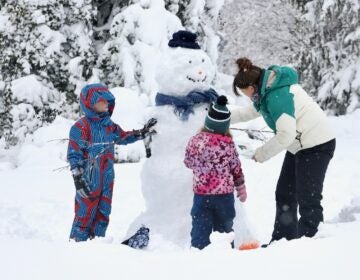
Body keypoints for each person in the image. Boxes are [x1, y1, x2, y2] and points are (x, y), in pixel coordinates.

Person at [231, 57, 336, 244]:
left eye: (244, 92)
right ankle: (282, 241)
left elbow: (286, 134)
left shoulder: (278, 96)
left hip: (317, 144)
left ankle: (310, 242)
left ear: (252, 86)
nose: (246, 96)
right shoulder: (267, 92)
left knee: (308, 196)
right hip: (300, 145)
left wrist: (261, 153)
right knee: (285, 193)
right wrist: (222, 117)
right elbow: (248, 113)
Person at [67, 84, 156, 242]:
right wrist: (78, 178)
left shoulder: (109, 125)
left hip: (107, 175)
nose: (107, 103)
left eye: (108, 100)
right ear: (90, 103)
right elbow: (74, 154)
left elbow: (122, 137)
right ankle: (77, 244)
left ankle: (97, 242)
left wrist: (140, 133)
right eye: (103, 100)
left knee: (104, 211)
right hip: (89, 177)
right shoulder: (81, 127)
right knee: (86, 211)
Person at [184, 95, 247, 249]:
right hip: (224, 197)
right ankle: (224, 258)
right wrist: (241, 188)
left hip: (202, 196)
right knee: (224, 233)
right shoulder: (228, 144)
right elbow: (236, 169)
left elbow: (188, 162)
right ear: (225, 126)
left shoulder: (195, 141)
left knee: (200, 233)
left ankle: (198, 258)